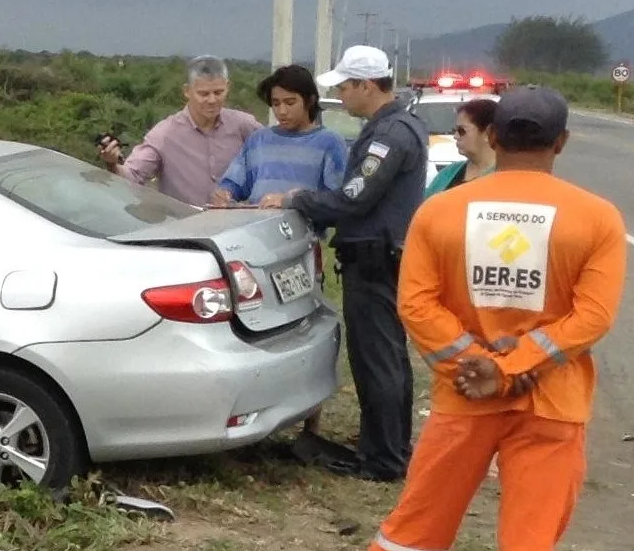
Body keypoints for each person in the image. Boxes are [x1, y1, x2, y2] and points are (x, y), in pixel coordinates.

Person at [323, 86, 626, 551]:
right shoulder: (596, 218)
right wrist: (517, 368)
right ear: (561, 143)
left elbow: (415, 305)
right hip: (552, 407)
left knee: (416, 527)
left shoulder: (442, 213)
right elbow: (591, 318)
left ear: (494, 138)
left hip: (463, 404)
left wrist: (476, 367)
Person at [268, 45, 429, 481]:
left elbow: (352, 198)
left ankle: (384, 459)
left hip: (375, 261)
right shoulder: (398, 125)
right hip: (382, 257)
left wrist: (296, 199)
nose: (341, 94)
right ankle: (388, 446)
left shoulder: (388, 134)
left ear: (365, 85)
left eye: (345, 86)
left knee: (377, 360)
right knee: (388, 358)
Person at [95, 56, 260, 207]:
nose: (212, 100)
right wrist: (112, 164)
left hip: (235, 228)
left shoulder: (243, 125)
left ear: (228, 87)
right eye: (203, 94)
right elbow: (133, 177)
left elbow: (274, 151)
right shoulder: (164, 134)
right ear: (187, 91)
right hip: (183, 230)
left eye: (218, 93)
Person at [210, 63, 348, 206]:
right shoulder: (258, 140)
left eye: (290, 103)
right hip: (259, 224)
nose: (282, 111)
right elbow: (235, 181)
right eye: (276, 104)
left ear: (310, 100)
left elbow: (337, 200)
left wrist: (290, 201)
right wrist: (225, 193)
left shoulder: (330, 142)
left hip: (303, 227)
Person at [425, 97, 499, 195]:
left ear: (487, 133)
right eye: (454, 130)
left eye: (461, 130)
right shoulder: (448, 173)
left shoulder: (505, 177)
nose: (455, 136)